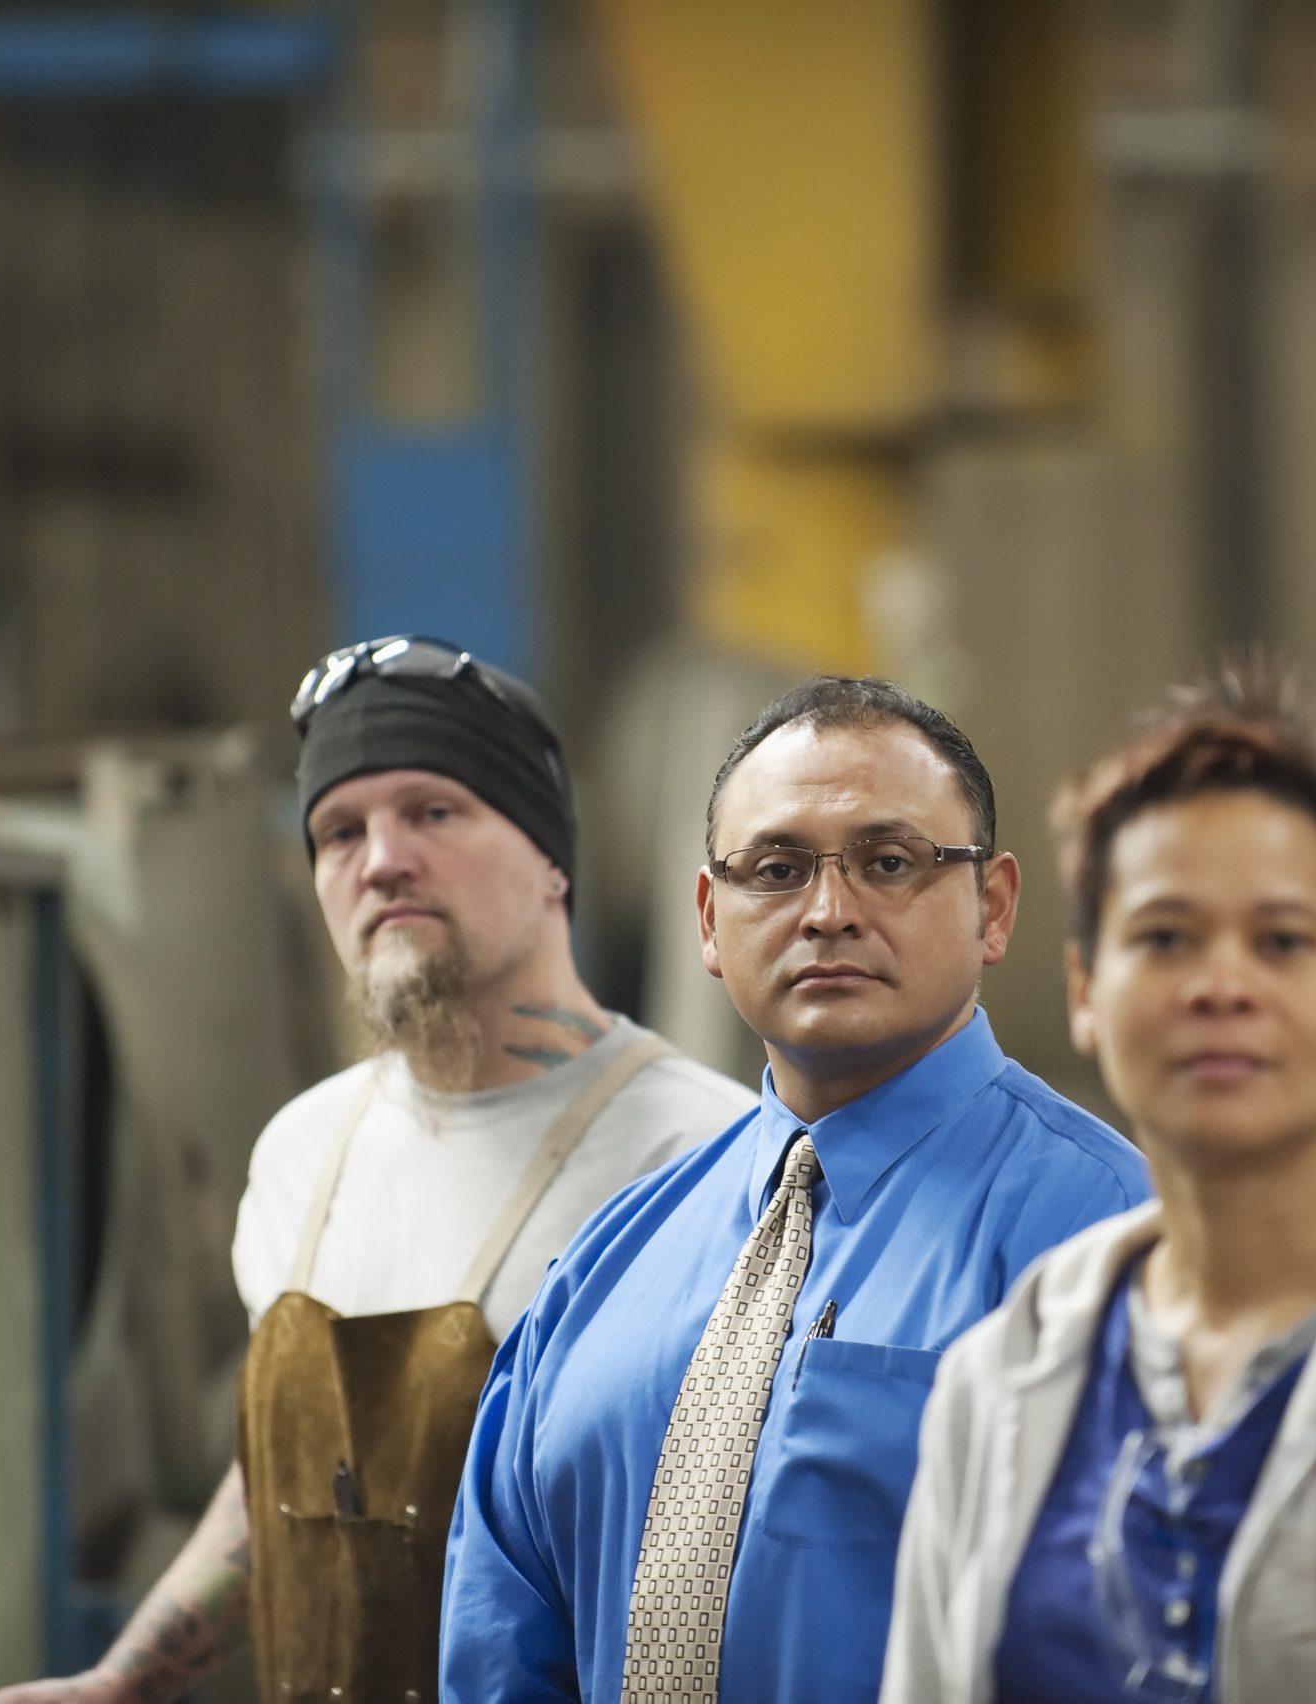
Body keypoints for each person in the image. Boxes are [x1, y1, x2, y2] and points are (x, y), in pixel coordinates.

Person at [0, 635, 751, 1704]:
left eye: (432, 811)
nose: (380, 857)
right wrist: (122, 1682)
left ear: (550, 859)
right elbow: (285, 1487)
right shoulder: (304, 1153)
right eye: (338, 831)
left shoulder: (708, 1161)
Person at [439, 676, 1153, 1703]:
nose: (828, 912)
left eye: (890, 863)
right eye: (775, 869)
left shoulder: (1099, 1235)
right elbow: (499, 1639)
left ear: (992, 908)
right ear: (708, 919)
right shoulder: (610, 1260)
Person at [883, 664, 1316, 1704]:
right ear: (1086, 991)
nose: (1221, 985)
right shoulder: (1003, 1374)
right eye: (1164, 939)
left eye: (1282, 942)